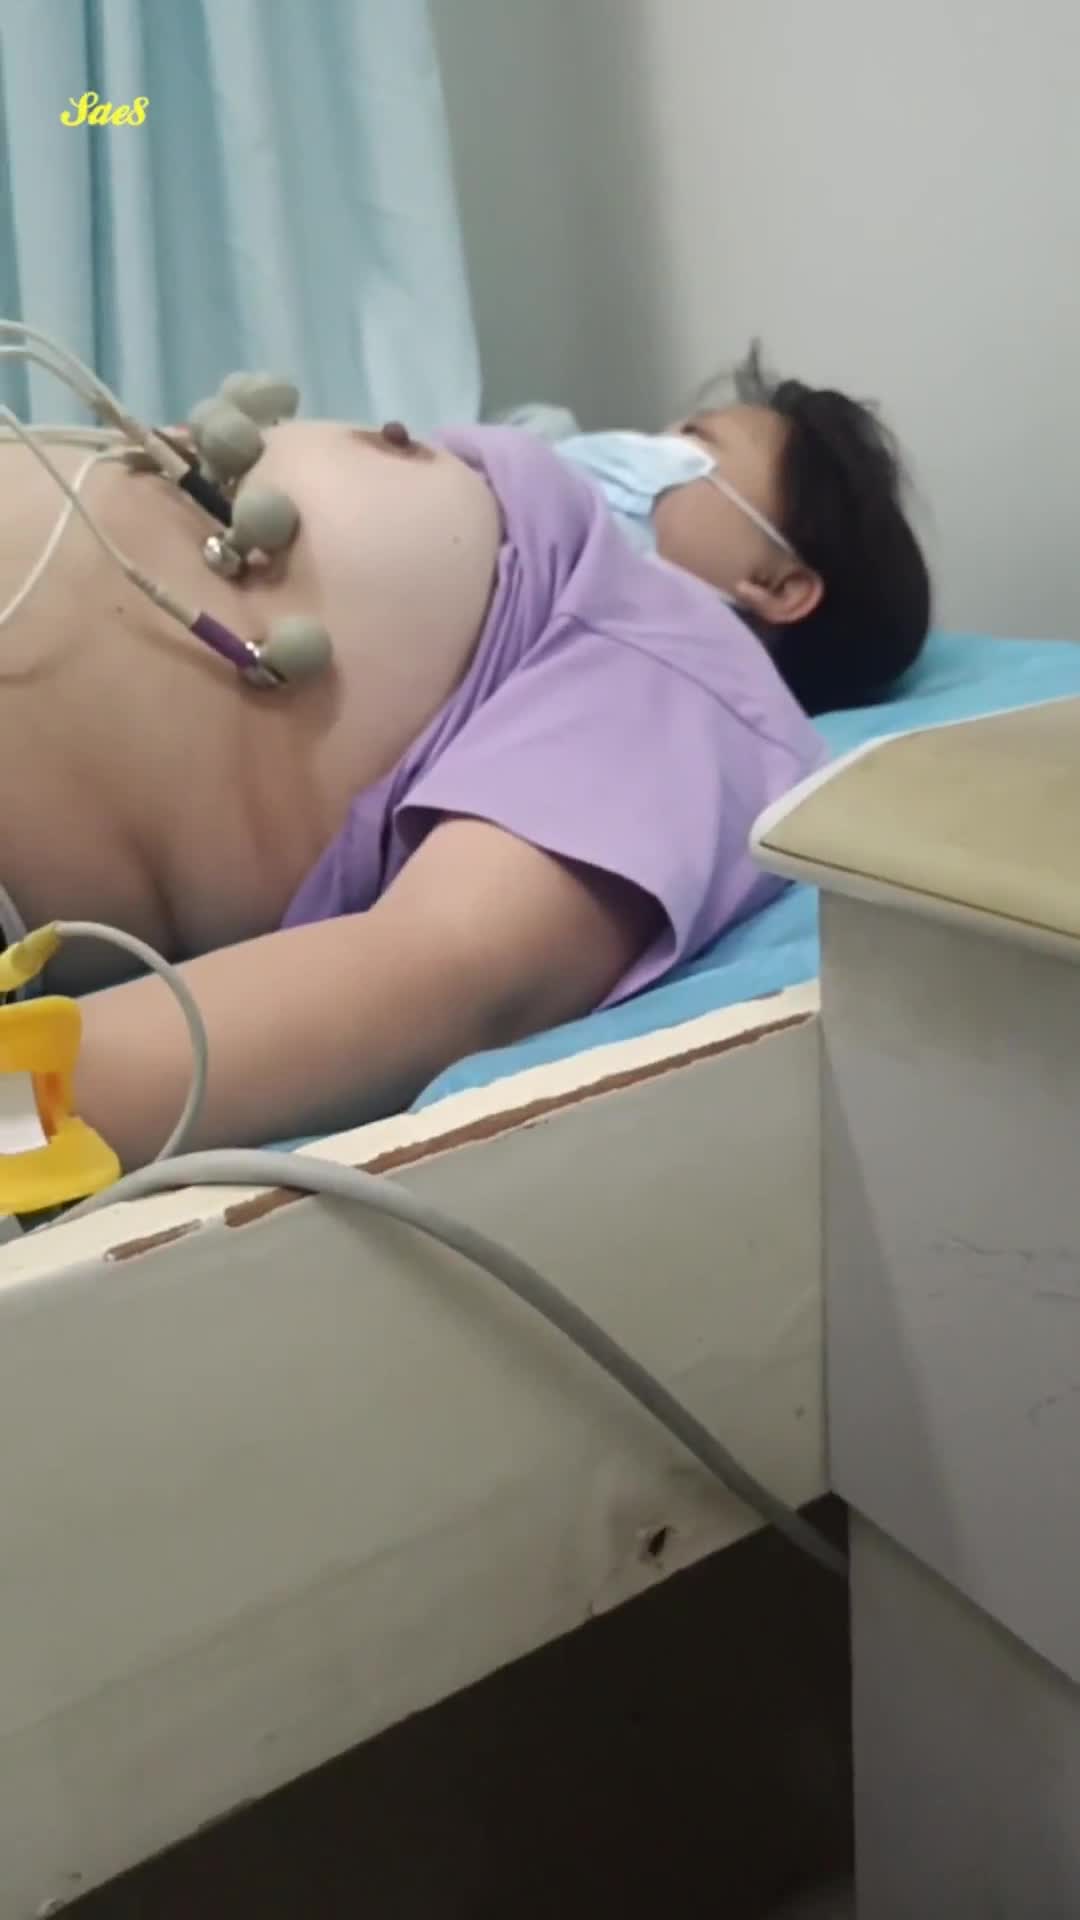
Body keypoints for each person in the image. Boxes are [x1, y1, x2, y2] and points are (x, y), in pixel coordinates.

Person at [0, 344, 929, 1166]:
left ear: (781, 583)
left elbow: (441, 973)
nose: (646, 445)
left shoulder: (693, 673)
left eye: (696, 446)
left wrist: (11, 1115)